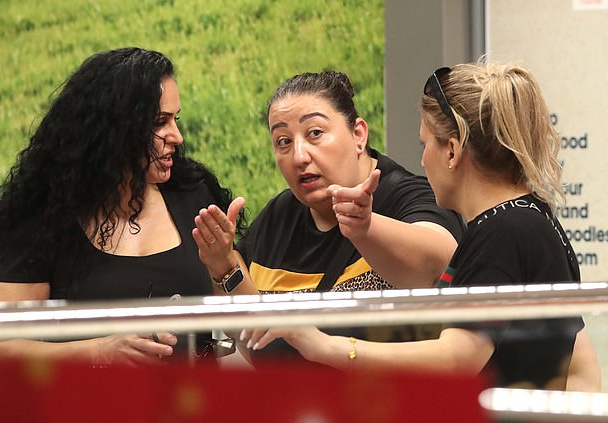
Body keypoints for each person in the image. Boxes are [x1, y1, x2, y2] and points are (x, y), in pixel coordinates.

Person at [239, 61, 601, 391]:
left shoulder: (502, 230)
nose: (422, 159)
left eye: (424, 144)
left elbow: (458, 358)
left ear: (452, 152)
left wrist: (324, 345)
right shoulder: (531, 216)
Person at [0, 47, 249, 366]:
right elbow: (2, 349)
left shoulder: (193, 192)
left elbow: (250, 331)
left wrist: (224, 265)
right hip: (88, 411)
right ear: (113, 130)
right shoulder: (43, 218)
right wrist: (100, 351)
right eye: (160, 123)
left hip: (194, 408)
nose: (176, 136)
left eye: (176, 120)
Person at [192, 70, 466, 362]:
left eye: (315, 134)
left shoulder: (406, 196)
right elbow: (264, 350)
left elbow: (441, 263)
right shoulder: (278, 216)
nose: (299, 156)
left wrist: (366, 227)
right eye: (283, 141)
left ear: (358, 135)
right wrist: (223, 265)